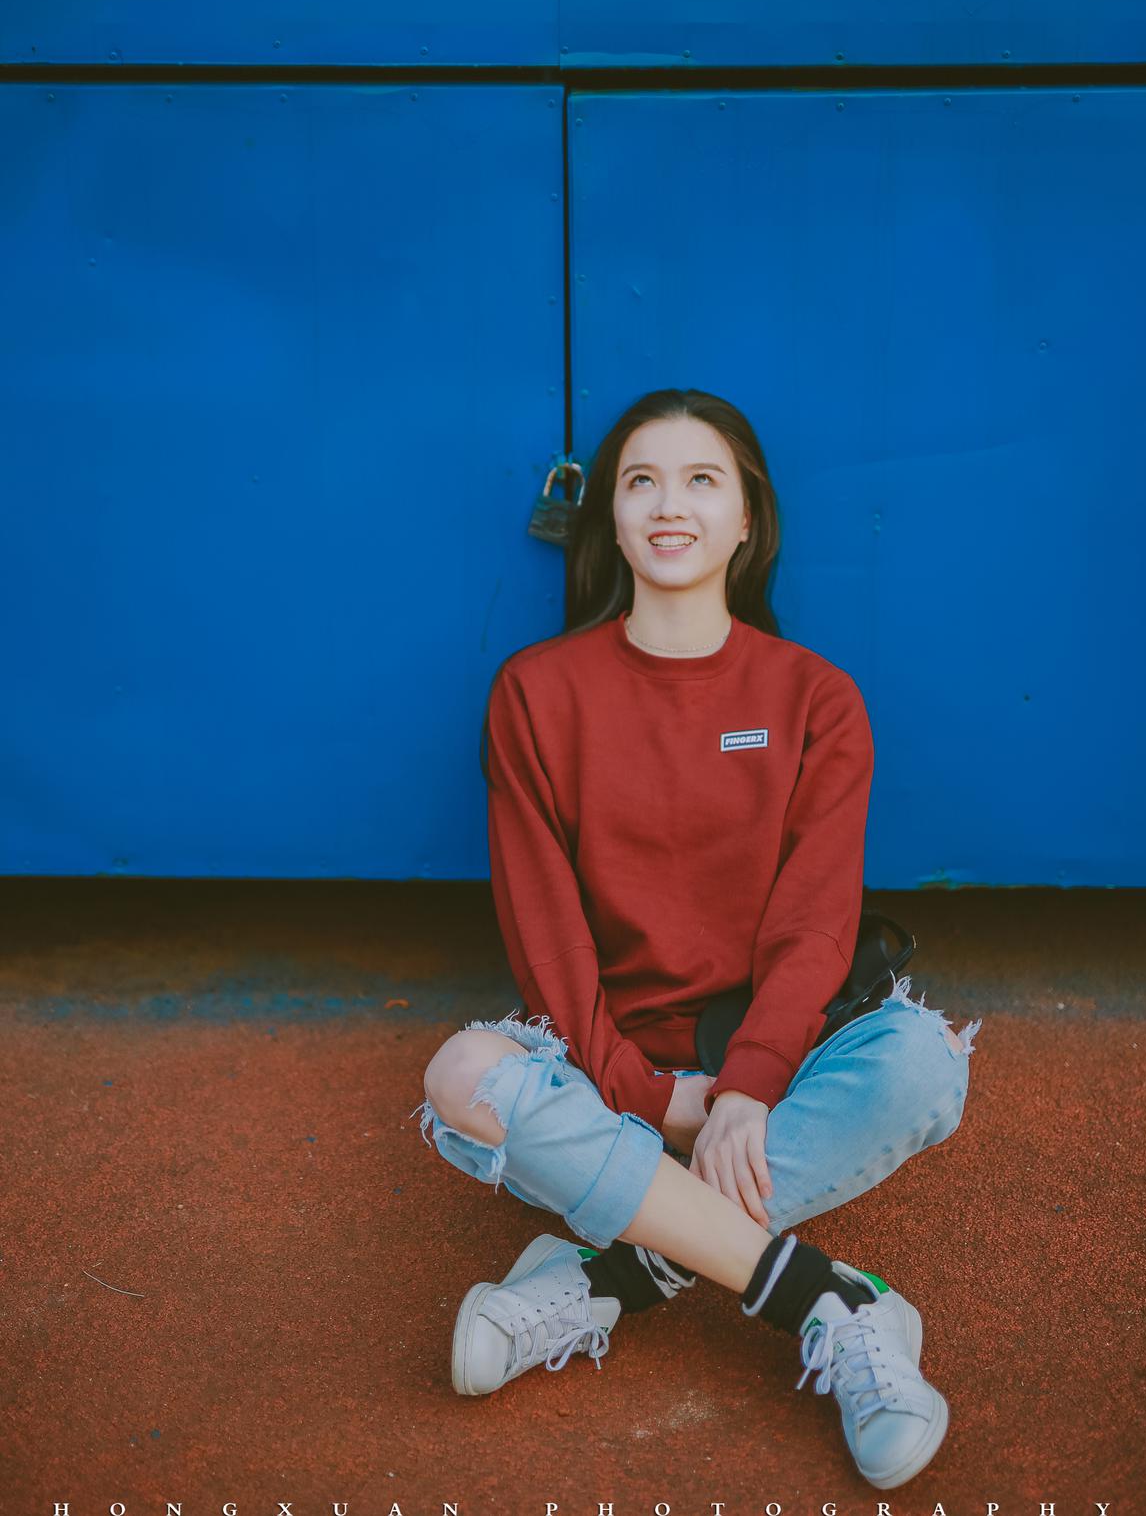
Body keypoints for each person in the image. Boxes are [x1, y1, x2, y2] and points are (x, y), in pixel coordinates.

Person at [410, 387, 981, 1491]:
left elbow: (816, 924)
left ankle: (613, 1275)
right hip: (604, 1086)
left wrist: (747, 1088)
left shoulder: (815, 698)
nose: (670, 505)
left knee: (922, 1061)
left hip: (773, 1078)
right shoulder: (536, 693)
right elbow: (547, 938)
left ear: (746, 520)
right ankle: (825, 1297)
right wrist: (648, 1093)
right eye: (642, 482)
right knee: (465, 1075)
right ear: (613, 522)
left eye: (701, 481)